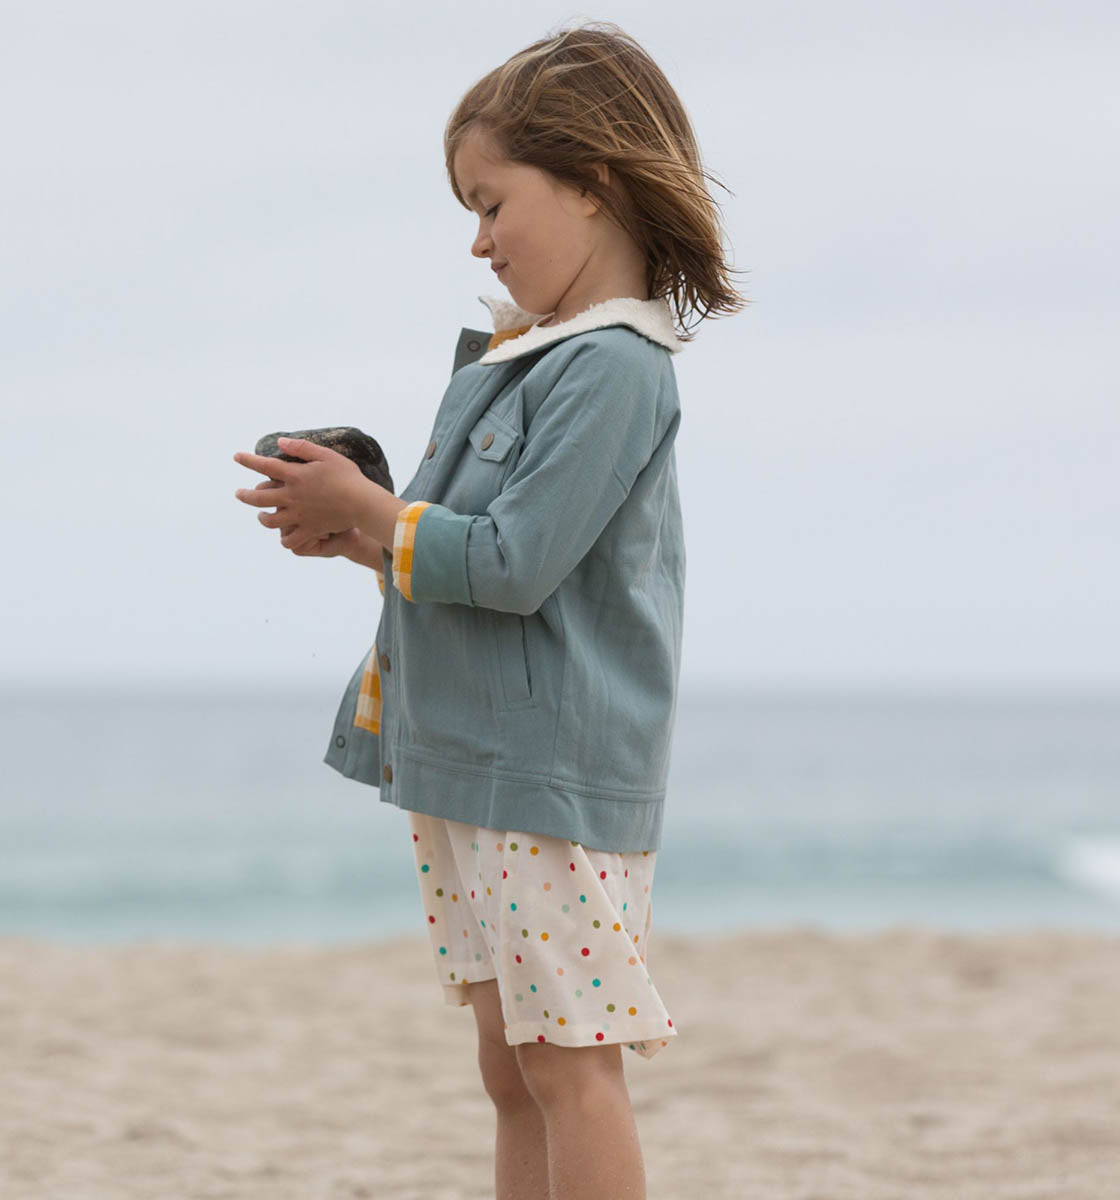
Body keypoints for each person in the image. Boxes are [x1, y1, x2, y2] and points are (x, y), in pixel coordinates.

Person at [234, 20, 746, 1200]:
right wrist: (357, 525)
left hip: (547, 775)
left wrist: (371, 510)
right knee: (514, 1065)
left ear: (594, 183)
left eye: (492, 201)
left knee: (572, 1065)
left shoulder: (616, 369)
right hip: (469, 759)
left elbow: (513, 565)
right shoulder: (520, 359)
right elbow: (465, 565)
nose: (478, 239)